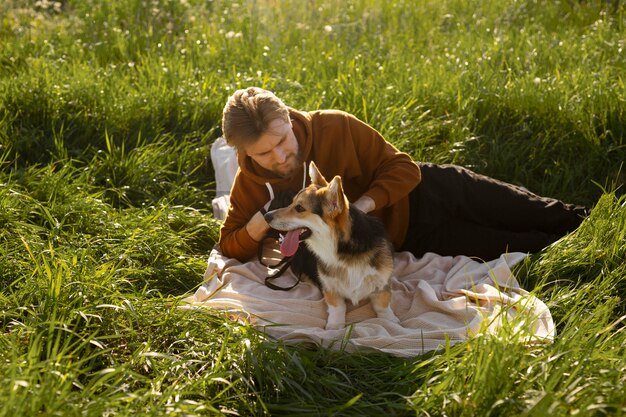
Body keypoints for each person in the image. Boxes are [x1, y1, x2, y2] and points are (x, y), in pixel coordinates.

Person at [218, 87, 588, 262]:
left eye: (283, 140)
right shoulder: (250, 184)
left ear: (287, 117)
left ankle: (599, 220)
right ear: (243, 153)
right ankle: (583, 250)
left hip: (431, 190)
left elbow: (403, 168)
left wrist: (359, 206)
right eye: (264, 153)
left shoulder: (335, 126)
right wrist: (263, 224)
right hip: (411, 236)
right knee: (523, 245)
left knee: (539, 211)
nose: (281, 156)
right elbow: (229, 245)